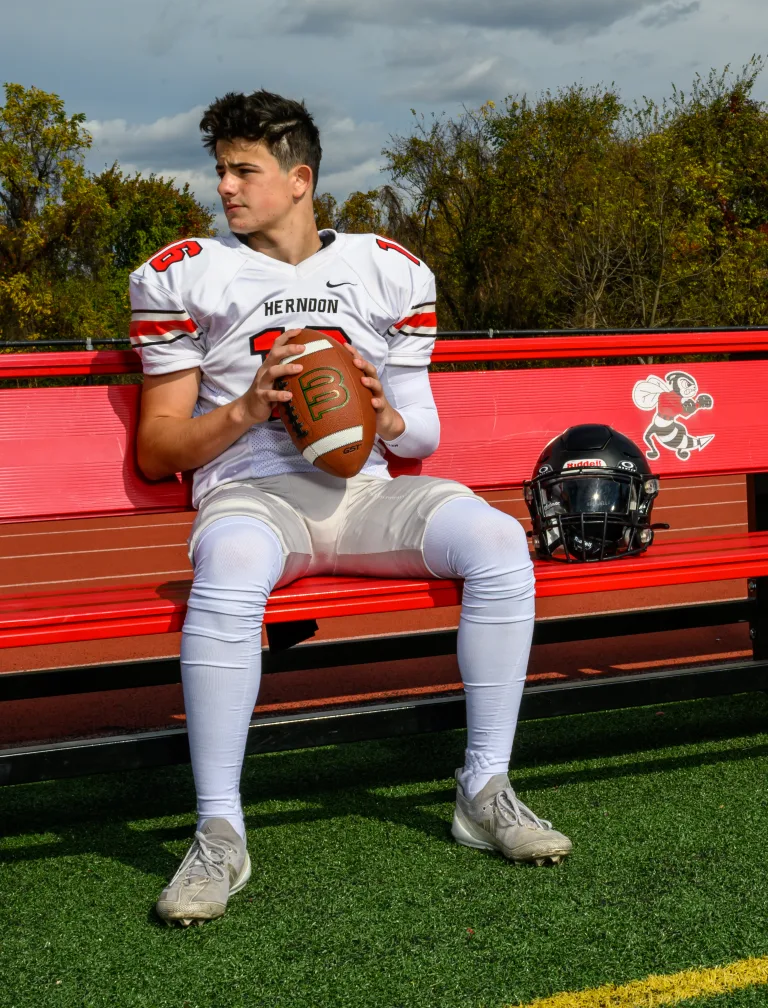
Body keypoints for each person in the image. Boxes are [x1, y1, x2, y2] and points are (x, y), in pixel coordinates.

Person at [130, 89, 572, 927]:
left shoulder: (386, 268)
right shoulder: (187, 271)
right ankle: (218, 830)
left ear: (299, 179)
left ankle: (484, 788)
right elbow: (158, 451)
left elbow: (420, 433)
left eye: (244, 169)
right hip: (253, 498)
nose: (224, 186)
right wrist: (248, 409)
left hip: (365, 494)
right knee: (226, 566)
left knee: (496, 542)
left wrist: (387, 412)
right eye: (218, 169)